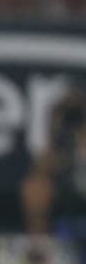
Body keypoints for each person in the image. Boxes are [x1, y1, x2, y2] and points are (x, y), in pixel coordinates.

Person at [22, 84, 86, 240]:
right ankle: (39, 249)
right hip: (68, 178)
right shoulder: (60, 127)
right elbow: (43, 164)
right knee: (35, 188)